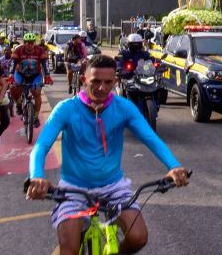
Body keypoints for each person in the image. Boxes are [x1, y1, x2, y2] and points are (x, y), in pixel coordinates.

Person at [26, 55, 190, 254]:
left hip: (113, 186)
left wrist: (173, 166)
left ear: (115, 82)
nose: (102, 88)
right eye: (95, 81)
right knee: (68, 249)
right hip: (73, 188)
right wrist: (37, 176)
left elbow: (151, 139)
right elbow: (41, 145)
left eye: (108, 82)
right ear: (84, 79)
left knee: (138, 237)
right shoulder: (66, 109)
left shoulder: (124, 107)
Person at [10, 32, 50, 128]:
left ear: (34, 43)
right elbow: (13, 64)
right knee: (13, 88)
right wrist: (11, 75)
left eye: (32, 42)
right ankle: (19, 104)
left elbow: (45, 64)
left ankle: (35, 117)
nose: (29, 45)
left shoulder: (40, 50)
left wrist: (47, 76)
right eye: (27, 42)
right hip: (20, 74)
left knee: (36, 93)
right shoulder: (18, 50)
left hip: (35, 75)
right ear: (24, 42)